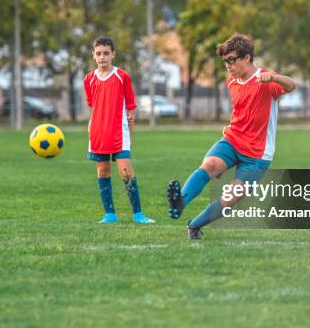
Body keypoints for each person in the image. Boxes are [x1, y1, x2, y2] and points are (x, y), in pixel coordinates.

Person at [167, 33, 296, 239]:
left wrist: (274, 77)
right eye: (225, 61)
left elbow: (291, 85)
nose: (227, 65)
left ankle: (194, 226)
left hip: (257, 153)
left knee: (230, 198)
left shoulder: (265, 79)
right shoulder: (232, 82)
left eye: (231, 60)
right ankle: (180, 202)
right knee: (209, 165)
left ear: (247, 58)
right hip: (232, 140)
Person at [83, 37, 155, 224]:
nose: (102, 57)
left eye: (106, 53)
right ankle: (110, 214)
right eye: (98, 53)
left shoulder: (122, 76)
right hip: (98, 131)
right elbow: (92, 104)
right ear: (93, 55)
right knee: (103, 170)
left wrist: (130, 125)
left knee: (125, 170)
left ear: (113, 54)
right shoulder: (89, 79)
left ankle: (138, 214)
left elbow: (130, 104)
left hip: (119, 131)